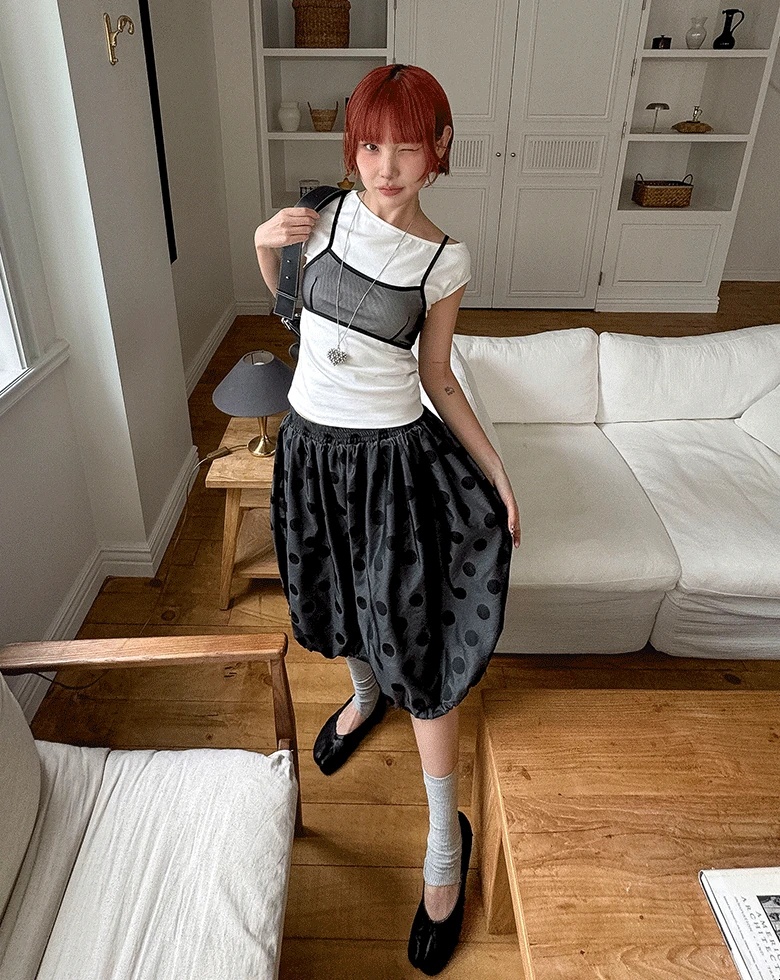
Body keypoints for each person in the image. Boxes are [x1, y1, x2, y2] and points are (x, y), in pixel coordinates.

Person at [254, 64, 520, 976]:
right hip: (309, 453)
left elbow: (437, 376)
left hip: (391, 471)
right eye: (371, 145)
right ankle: (364, 699)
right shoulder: (321, 215)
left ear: (438, 148)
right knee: (333, 602)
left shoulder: (445, 261)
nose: (386, 166)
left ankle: (445, 845)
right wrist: (264, 245)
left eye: (407, 147)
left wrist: (495, 469)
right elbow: (292, 317)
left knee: (421, 647)